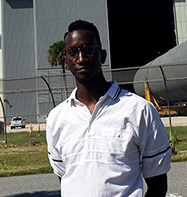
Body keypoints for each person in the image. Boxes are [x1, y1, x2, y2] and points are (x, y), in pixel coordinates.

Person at [46, 20, 171, 197]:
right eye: (73, 52)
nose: (81, 58)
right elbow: (65, 177)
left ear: (102, 55)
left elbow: (158, 186)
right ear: (66, 62)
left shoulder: (140, 110)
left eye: (88, 50)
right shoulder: (56, 118)